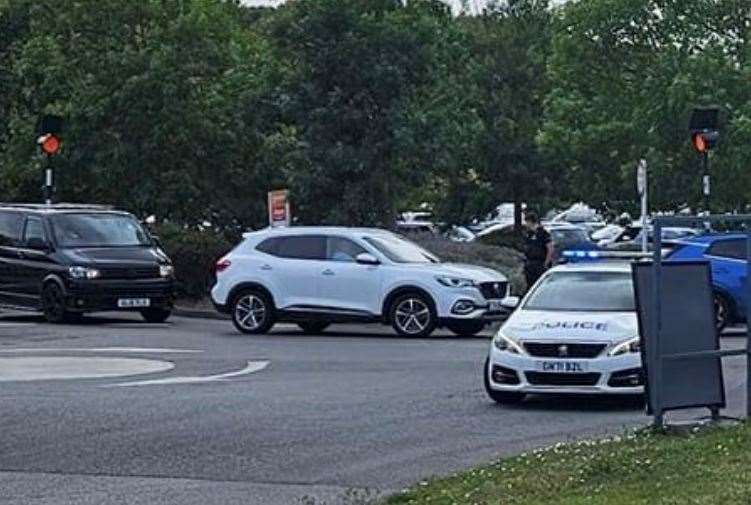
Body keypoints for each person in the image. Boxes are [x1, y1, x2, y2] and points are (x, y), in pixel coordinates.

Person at [523, 212, 554, 290]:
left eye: (527, 222)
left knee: (539, 285)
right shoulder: (529, 234)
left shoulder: (543, 233)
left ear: (531, 222)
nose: (526, 224)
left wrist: (546, 263)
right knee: (530, 285)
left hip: (540, 263)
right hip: (530, 264)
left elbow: (550, 249)